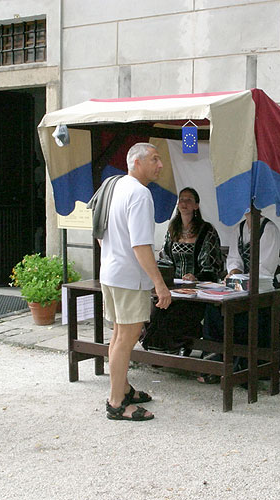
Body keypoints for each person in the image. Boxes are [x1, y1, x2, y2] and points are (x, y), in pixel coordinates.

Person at [98, 143, 171, 421]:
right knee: (125, 340)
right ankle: (117, 403)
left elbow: (98, 229)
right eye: (154, 159)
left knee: (118, 337)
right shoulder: (140, 194)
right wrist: (159, 284)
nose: (160, 165)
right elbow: (141, 245)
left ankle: (124, 389)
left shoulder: (113, 186)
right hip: (128, 278)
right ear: (136, 163)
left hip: (111, 272)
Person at [199, 209, 280, 383]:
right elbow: (234, 258)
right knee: (213, 310)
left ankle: (244, 363)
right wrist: (234, 273)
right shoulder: (239, 229)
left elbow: (266, 267)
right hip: (239, 287)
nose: (249, 212)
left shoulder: (269, 229)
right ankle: (215, 361)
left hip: (263, 289)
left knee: (246, 314)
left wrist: (243, 280)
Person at [141, 187, 224, 352]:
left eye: (188, 200)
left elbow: (213, 266)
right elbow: (165, 259)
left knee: (175, 315)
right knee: (155, 310)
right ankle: (158, 349)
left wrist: (196, 276)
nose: (184, 203)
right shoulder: (173, 229)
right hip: (173, 288)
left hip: (196, 293)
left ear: (196, 206)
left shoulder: (207, 231)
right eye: (181, 199)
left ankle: (173, 346)